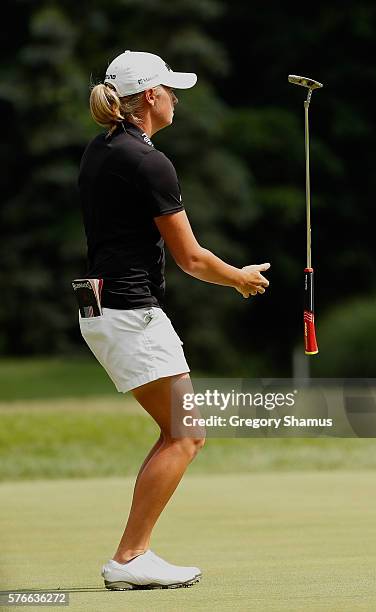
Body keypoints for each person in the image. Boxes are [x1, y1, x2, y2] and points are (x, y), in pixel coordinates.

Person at [77, 50, 270, 590]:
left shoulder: (102, 149)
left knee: (177, 432)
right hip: (130, 311)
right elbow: (190, 258)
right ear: (150, 98)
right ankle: (130, 557)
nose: (177, 97)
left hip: (103, 307)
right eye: (170, 88)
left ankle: (133, 554)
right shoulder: (149, 161)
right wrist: (239, 278)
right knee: (186, 435)